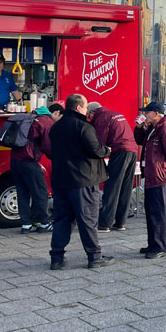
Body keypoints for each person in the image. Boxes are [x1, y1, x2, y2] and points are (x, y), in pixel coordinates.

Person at [48, 93, 114, 270]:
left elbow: (49, 151)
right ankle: (95, 257)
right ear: (79, 108)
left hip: (61, 180)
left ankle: (57, 258)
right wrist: (107, 150)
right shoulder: (84, 126)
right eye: (85, 107)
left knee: (62, 219)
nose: (86, 111)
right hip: (83, 181)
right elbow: (95, 150)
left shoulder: (56, 127)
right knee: (88, 219)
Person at [134, 101, 166, 259]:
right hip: (151, 175)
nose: (144, 115)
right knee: (150, 211)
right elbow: (139, 141)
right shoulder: (153, 128)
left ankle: (160, 246)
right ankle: (153, 244)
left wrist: (162, 165)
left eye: (147, 112)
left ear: (156, 114)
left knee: (157, 212)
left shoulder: (165, 129)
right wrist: (140, 127)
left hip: (159, 175)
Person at [86, 102, 138, 232]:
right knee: (125, 188)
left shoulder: (101, 118)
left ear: (92, 112)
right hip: (132, 151)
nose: (89, 118)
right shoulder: (114, 113)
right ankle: (120, 222)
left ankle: (105, 223)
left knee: (112, 187)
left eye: (88, 116)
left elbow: (99, 142)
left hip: (120, 151)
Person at [13, 106, 55, 234]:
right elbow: (48, 146)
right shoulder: (46, 121)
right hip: (29, 161)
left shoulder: (27, 118)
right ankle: (45, 223)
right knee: (41, 192)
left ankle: (26, 225)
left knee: (22, 192)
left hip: (15, 160)